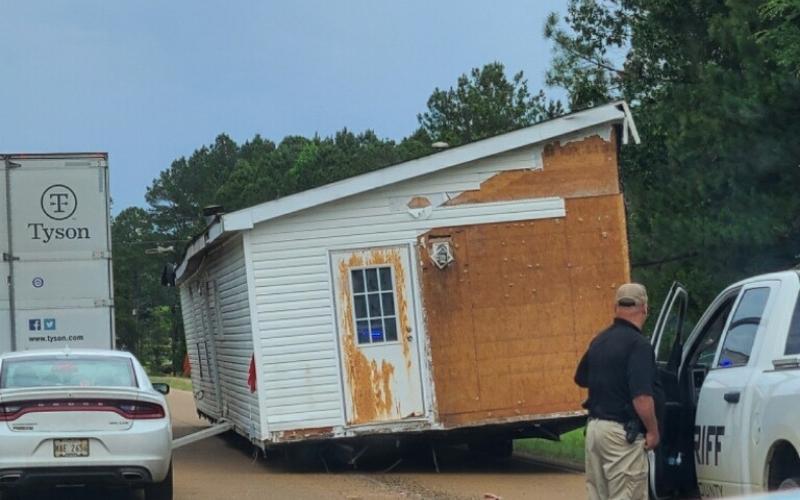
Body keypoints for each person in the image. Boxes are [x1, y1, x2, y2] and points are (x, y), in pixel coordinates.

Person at [574, 283, 659, 500]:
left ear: (615, 308)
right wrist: (652, 431)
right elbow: (641, 397)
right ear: (645, 309)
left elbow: (581, 378)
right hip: (622, 437)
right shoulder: (639, 345)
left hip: (595, 432)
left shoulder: (599, 341)